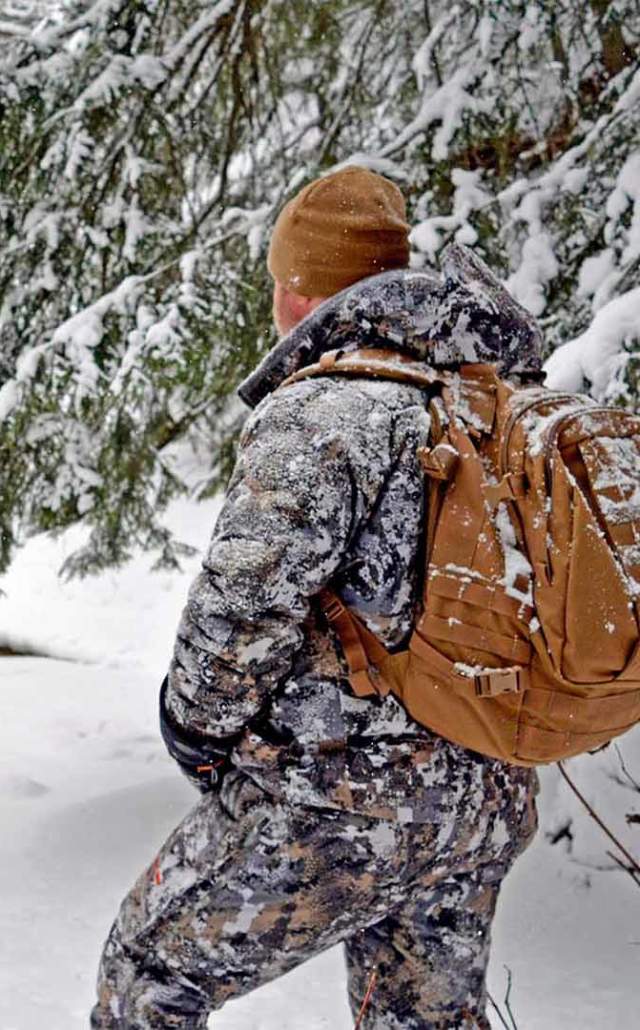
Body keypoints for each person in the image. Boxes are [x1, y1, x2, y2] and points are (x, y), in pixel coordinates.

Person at [91, 166, 540, 1030]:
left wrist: (195, 732)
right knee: (422, 1022)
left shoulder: (323, 414)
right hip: (485, 793)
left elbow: (240, 615)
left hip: (343, 800)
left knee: (148, 976)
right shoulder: (484, 398)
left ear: (297, 290)